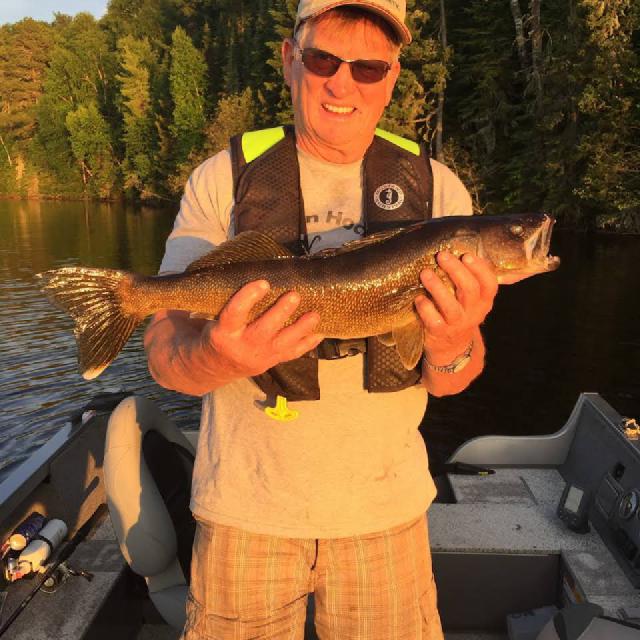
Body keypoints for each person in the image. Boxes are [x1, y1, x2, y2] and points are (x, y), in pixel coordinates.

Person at [144, 0, 499, 638]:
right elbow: (166, 357)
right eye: (323, 60)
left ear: (391, 77)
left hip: (385, 516)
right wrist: (220, 358)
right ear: (290, 60)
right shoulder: (224, 177)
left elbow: (452, 380)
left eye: (368, 67)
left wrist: (452, 339)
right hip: (244, 515)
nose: (343, 83)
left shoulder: (439, 192)